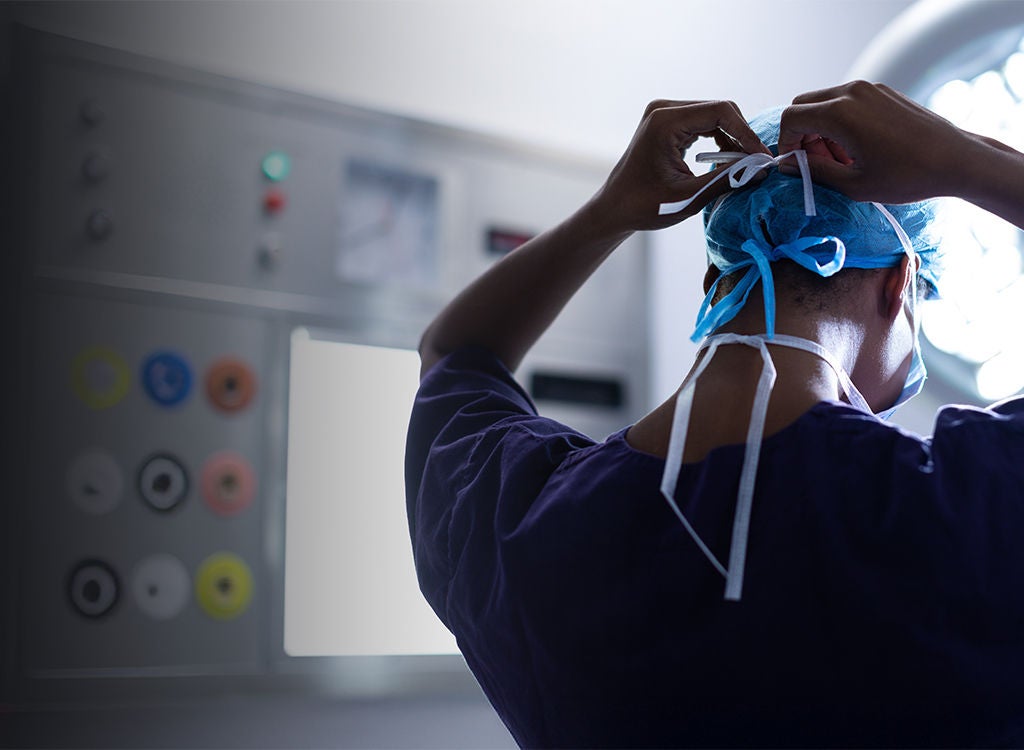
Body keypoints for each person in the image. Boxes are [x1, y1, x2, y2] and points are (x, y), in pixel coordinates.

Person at [404, 81, 1024, 747]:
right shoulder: (971, 504)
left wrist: (610, 211)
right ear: (900, 283)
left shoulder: (518, 522)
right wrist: (966, 160)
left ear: (714, 282)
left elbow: (453, 350)